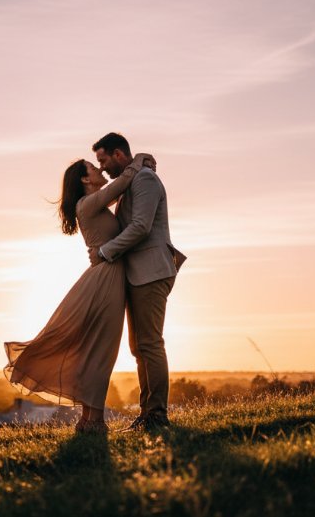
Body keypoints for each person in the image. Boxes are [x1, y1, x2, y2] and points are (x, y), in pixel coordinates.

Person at [4, 152, 154, 433]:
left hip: (106, 278)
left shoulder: (92, 204)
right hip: (105, 280)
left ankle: (89, 419)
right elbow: (123, 182)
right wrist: (140, 159)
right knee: (101, 351)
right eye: (92, 167)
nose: (99, 169)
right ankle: (94, 420)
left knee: (95, 350)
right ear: (85, 179)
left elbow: (117, 191)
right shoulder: (87, 204)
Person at [91, 132, 185, 432]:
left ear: (119, 155)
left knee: (150, 344)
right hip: (138, 273)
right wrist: (142, 158)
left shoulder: (144, 181)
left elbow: (141, 227)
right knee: (139, 347)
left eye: (104, 160)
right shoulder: (134, 179)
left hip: (151, 272)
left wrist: (106, 251)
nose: (103, 168)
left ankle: (156, 416)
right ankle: (147, 415)